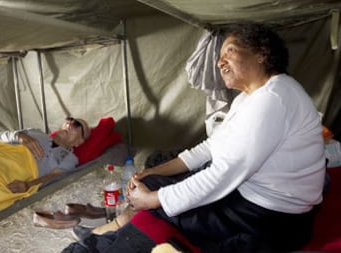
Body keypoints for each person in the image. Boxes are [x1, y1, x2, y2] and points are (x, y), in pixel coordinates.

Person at [67, 23, 326, 252]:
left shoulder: (274, 98)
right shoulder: (251, 97)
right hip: (252, 200)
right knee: (156, 180)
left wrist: (154, 199)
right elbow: (211, 147)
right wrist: (154, 173)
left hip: (271, 218)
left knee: (162, 203)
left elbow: (224, 173)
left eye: (230, 51)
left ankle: (95, 246)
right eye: (220, 55)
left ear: (261, 53)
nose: (220, 61)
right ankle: (110, 230)